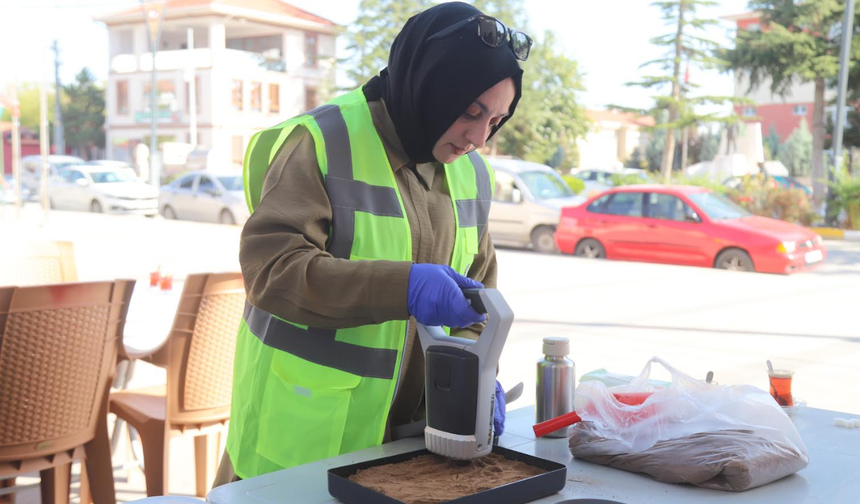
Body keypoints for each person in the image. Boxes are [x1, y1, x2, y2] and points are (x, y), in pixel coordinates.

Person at [214, 1, 530, 484]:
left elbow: (477, 298)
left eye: (495, 120)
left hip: (412, 450)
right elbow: (271, 271)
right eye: (470, 111)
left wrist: (476, 378)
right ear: (431, 84)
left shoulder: (471, 175)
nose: (479, 137)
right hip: (302, 442)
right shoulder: (322, 142)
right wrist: (401, 288)